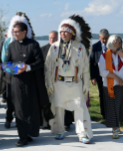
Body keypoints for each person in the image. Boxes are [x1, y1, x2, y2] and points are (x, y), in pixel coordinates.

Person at [45, 15, 93, 144]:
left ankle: (81, 133)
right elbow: (48, 67)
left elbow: (85, 68)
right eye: (61, 32)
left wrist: (86, 84)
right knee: (59, 107)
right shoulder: (54, 47)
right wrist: (49, 82)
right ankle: (60, 131)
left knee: (79, 107)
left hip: (75, 82)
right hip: (59, 82)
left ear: (72, 33)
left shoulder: (80, 47)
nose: (63, 33)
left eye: (65, 31)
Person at [6, 22, 50, 147]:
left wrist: (28, 67)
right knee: (19, 109)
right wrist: (14, 69)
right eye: (13, 32)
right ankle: (22, 136)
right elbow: (7, 63)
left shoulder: (33, 45)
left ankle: (29, 132)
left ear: (24, 32)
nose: (14, 34)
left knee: (31, 108)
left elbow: (40, 62)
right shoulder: (11, 45)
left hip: (31, 82)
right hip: (17, 82)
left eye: (17, 32)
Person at [99, 35, 123, 139]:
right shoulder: (104, 55)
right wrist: (116, 77)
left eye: (119, 43)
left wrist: (118, 50)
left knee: (121, 107)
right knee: (113, 107)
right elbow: (102, 72)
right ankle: (115, 128)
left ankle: (118, 124)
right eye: (115, 42)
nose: (117, 44)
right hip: (110, 86)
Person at [90, 29, 110, 119]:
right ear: (99, 37)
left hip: (111, 75)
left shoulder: (112, 46)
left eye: (106, 38)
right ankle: (104, 114)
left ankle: (111, 113)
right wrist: (93, 77)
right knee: (102, 94)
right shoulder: (94, 47)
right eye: (103, 39)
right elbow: (91, 63)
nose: (105, 41)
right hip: (99, 75)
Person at [40, 30, 58, 129]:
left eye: (54, 38)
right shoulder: (42, 50)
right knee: (46, 102)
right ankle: (46, 122)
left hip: (58, 80)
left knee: (57, 103)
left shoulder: (61, 50)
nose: (52, 39)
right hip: (45, 80)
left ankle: (59, 122)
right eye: (51, 38)